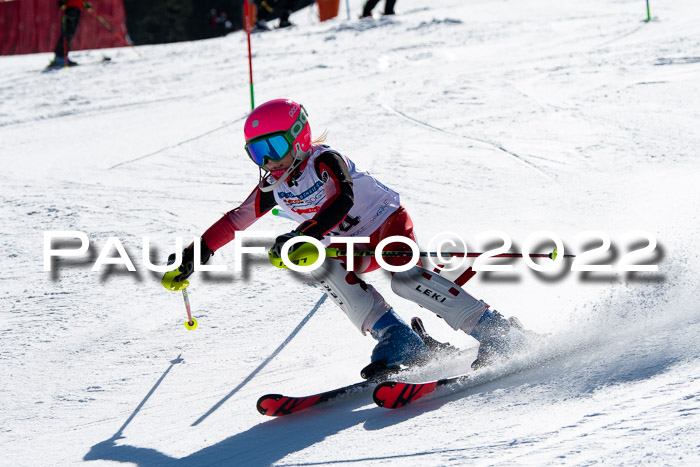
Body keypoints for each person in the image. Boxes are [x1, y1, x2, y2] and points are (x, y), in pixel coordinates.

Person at [168, 98, 528, 376]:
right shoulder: (273, 186)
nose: (269, 160)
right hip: (346, 245)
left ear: (300, 136)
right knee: (318, 268)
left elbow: (343, 199)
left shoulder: (324, 160)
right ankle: (397, 339)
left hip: (384, 223)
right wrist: (193, 255)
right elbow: (235, 221)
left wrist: (302, 233)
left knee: (404, 279)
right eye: (258, 153)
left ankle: (495, 331)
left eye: (274, 148)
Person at [49, 0, 93, 68]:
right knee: (67, 33)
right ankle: (60, 57)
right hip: (70, 8)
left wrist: (84, 4)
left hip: (77, 8)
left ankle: (62, 57)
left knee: (70, 33)